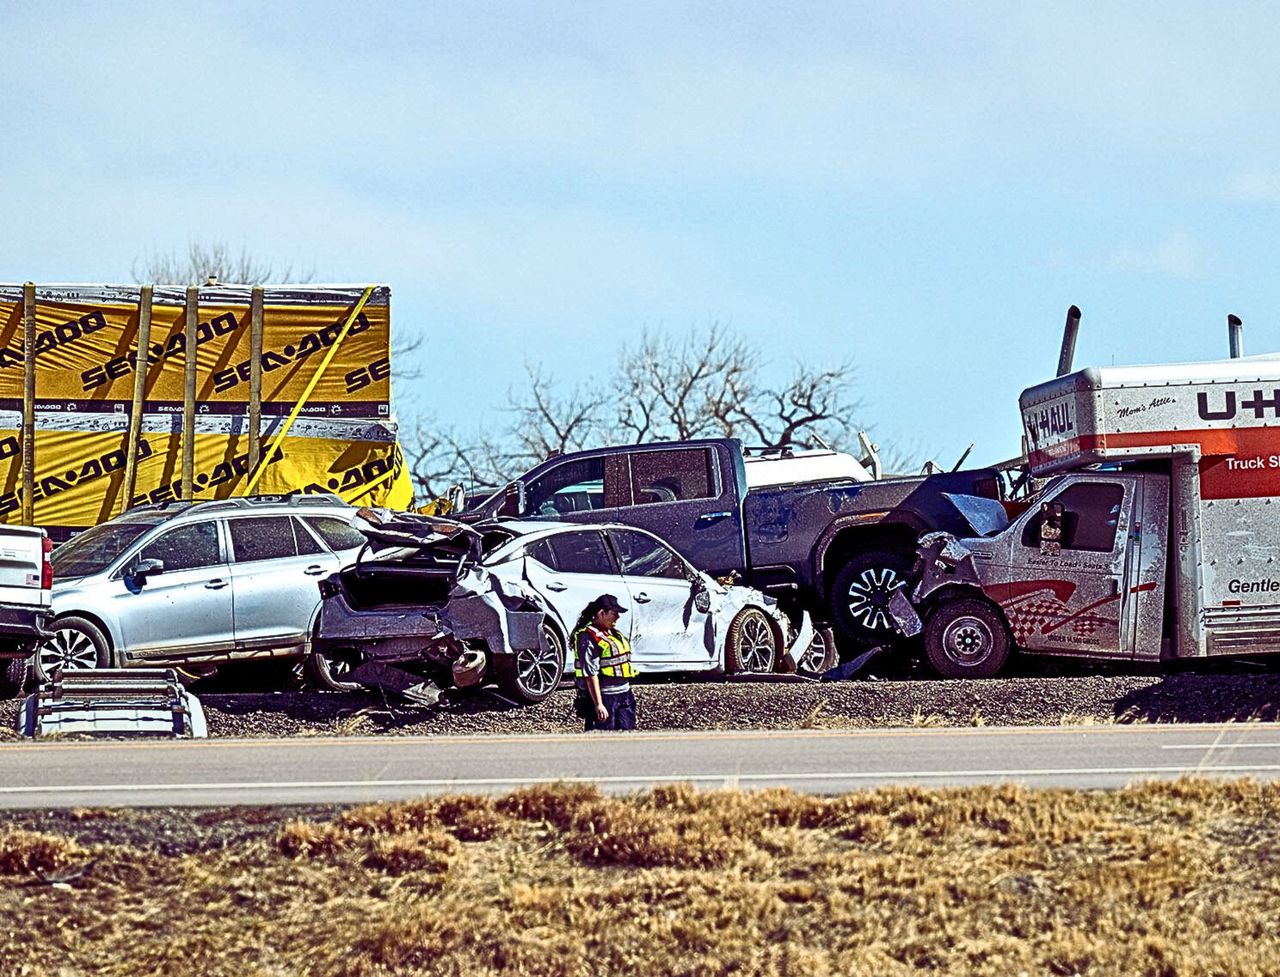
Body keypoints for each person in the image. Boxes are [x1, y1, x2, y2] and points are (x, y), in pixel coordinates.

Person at [571, 593, 637, 731]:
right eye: (614, 613)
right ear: (602, 613)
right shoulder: (587, 637)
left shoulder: (612, 633)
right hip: (606, 697)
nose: (618, 617)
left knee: (627, 735)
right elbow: (590, 674)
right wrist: (599, 704)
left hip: (624, 695)